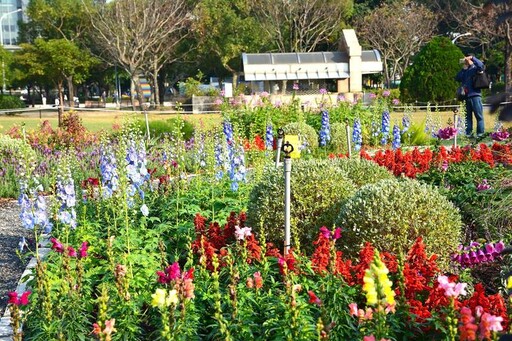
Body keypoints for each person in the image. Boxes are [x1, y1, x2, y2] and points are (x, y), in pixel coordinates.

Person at [455, 54, 485, 138]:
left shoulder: (475, 68)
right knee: (468, 117)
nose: (466, 61)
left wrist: (472, 58)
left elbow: (481, 66)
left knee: (479, 116)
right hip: (466, 96)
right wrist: (463, 69)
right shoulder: (465, 70)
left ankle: (480, 133)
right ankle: (468, 133)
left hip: (475, 96)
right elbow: (457, 78)